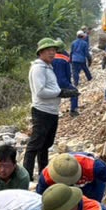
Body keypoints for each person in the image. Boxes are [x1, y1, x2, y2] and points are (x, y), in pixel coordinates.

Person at [24, 38, 74, 177]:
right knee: (35, 145)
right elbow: (40, 92)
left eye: (53, 50)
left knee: (45, 144)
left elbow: (50, 88)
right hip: (42, 111)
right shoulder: (38, 68)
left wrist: (62, 92)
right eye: (49, 51)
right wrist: (60, 92)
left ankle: (43, 172)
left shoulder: (47, 66)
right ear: (41, 52)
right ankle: (27, 175)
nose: (52, 53)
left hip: (51, 110)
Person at [52, 42, 79, 117]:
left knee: (53, 97)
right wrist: (69, 83)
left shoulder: (50, 58)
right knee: (74, 92)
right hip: (63, 81)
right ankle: (73, 111)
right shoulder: (65, 58)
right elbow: (68, 73)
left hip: (52, 82)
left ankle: (53, 113)